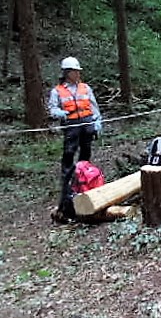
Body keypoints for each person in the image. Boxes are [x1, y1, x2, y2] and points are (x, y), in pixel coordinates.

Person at [48, 57, 102, 216]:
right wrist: (59, 113)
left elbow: (93, 106)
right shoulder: (57, 91)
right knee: (68, 160)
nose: (77, 74)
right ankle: (67, 196)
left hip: (87, 125)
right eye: (75, 71)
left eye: (78, 71)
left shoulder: (85, 88)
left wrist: (98, 120)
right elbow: (52, 108)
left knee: (85, 158)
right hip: (71, 127)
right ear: (67, 72)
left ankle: (86, 186)